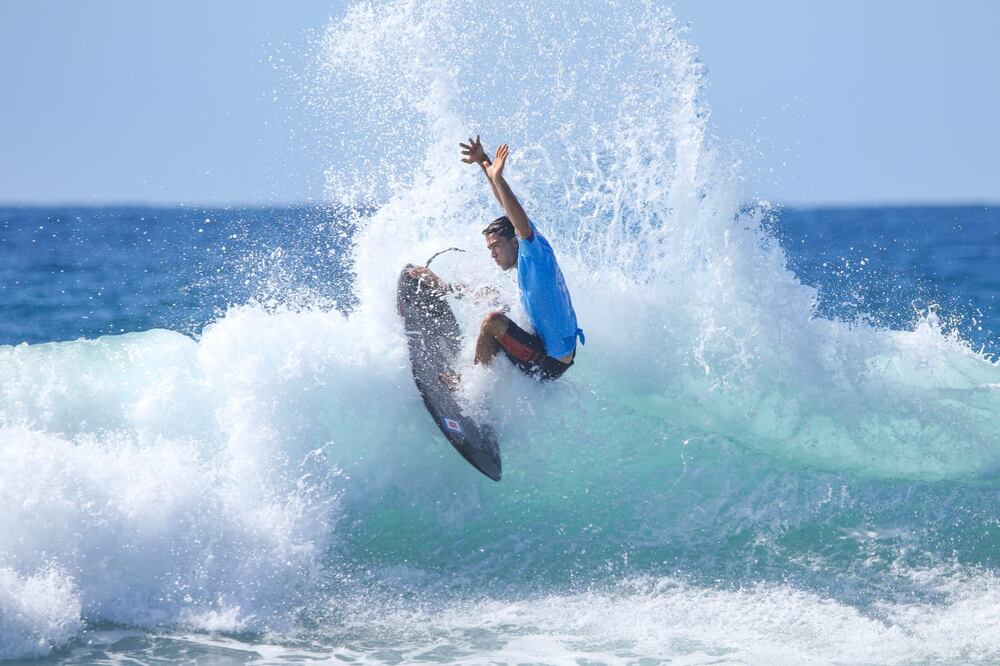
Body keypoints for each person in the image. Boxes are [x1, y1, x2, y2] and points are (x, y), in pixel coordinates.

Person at [409, 136, 584, 382]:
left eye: (496, 246)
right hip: (544, 343)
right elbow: (508, 209)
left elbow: (518, 221)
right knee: (488, 294)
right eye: (489, 248)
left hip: (549, 363)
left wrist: (498, 178)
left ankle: (468, 384)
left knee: (493, 321)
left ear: (515, 242)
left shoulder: (534, 254)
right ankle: (442, 287)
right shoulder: (532, 253)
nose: (492, 253)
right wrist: (484, 164)